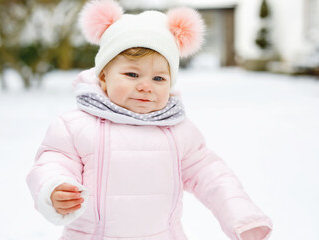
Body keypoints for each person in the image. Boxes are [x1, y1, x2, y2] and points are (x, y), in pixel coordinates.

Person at [26, 0, 273, 239]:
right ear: (103, 77)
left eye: (158, 79)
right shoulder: (76, 126)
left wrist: (241, 215)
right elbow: (53, 162)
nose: (146, 86)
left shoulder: (178, 131)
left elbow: (213, 176)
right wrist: (54, 188)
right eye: (132, 74)